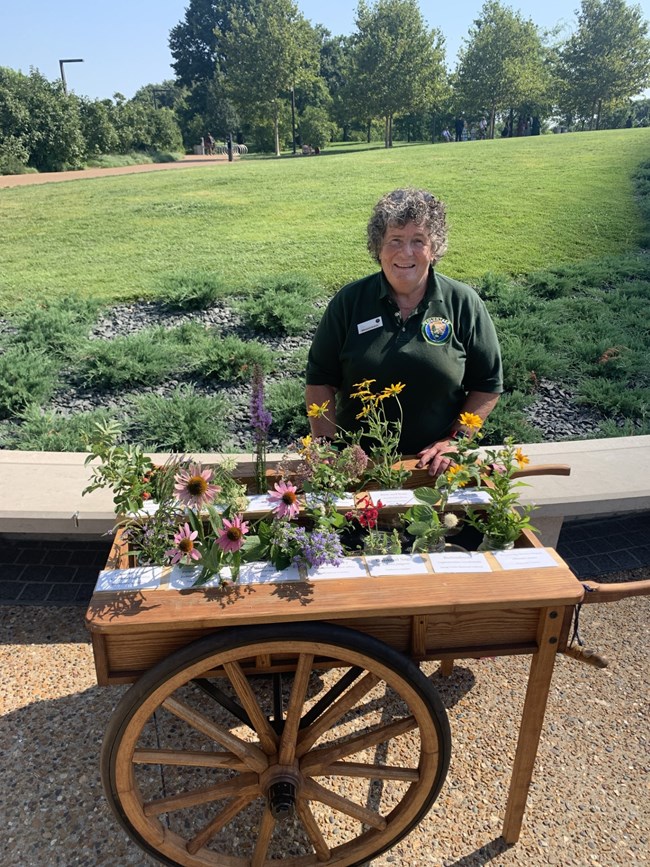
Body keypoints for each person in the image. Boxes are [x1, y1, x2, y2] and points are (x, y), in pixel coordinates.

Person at [305, 188, 503, 477]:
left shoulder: (463, 303)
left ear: (434, 248)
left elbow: (487, 383)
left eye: (418, 241)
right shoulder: (349, 302)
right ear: (378, 248)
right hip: (358, 468)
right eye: (394, 240)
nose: (405, 252)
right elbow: (320, 379)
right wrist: (327, 446)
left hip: (434, 468)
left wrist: (456, 441)